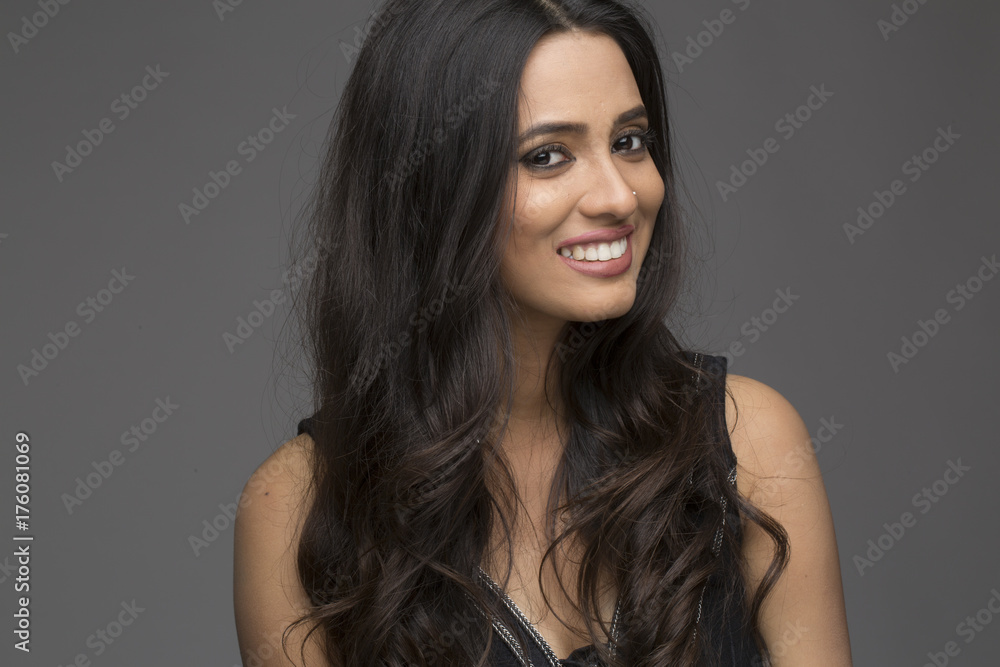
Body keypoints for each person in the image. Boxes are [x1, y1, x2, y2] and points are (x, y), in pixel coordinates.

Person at [233, 1, 853, 665]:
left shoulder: (748, 439)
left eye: (630, 142)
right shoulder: (299, 505)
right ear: (431, 188)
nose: (619, 195)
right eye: (548, 155)